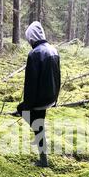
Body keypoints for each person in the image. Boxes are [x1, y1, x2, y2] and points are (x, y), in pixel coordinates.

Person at [15, 21, 61, 168]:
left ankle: (43, 160)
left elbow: (31, 84)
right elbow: (58, 77)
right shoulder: (54, 50)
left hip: (39, 99)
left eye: (29, 39)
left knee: (29, 117)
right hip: (50, 97)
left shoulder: (35, 54)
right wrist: (55, 99)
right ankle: (43, 156)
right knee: (38, 124)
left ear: (32, 37)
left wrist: (26, 106)